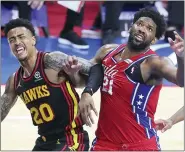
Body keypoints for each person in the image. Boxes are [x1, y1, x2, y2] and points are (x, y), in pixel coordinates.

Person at [64, 7, 184, 150]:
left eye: (149, 29)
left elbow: (181, 80)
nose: (142, 29)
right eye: (139, 24)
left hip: (141, 145)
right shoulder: (106, 52)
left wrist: (181, 57)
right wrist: (74, 75)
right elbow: (82, 80)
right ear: (130, 27)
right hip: (105, 144)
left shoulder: (154, 62)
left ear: (154, 40)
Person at [1, 18, 103, 151]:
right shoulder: (14, 81)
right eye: (12, 40)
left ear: (33, 40)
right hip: (44, 142)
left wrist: (87, 92)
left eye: (21, 37)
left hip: (70, 138)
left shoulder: (52, 60)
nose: (17, 43)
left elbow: (96, 69)